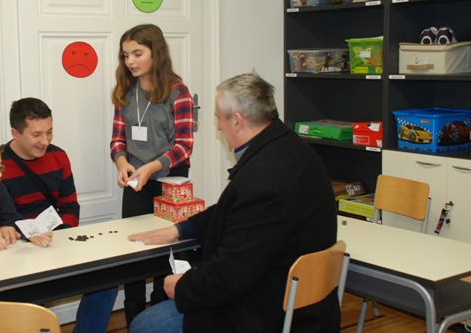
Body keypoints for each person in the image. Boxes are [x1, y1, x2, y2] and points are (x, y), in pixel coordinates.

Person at [127, 72, 339, 333]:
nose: (218, 126)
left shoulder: (265, 180)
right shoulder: (288, 148)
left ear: (237, 121)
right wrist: (180, 229)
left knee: (145, 325)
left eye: (219, 117)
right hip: (292, 299)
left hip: (266, 312)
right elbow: (236, 210)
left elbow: (229, 276)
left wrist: (182, 286)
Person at [0, 97, 117, 333]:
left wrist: (61, 237)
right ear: (16, 133)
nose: (45, 141)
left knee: (107, 278)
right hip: (17, 249)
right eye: (37, 134)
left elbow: (70, 206)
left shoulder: (58, 156)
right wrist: (21, 237)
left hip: (55, 240)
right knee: (31, 300)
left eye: (49, 132)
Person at [110, 23, 195, 325]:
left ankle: (160, 315)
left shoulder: (177, 92)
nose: (130, 61)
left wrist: (151, 167)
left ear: (155, 53)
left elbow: (184, 146)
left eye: (137, 53)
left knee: (167, 249)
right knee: (134, 248)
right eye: (125, 55)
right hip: (136, 180)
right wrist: (122, 162)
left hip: (170, 180)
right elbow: (117, 140)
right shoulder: (125, 90)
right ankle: (133, 316)